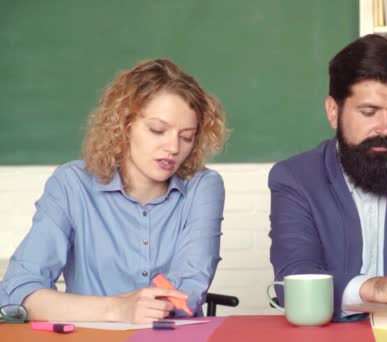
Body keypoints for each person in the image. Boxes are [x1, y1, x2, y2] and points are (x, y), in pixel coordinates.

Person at [0, 59, 227, 323]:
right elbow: (18, 291)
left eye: (186, 136)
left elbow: (186, 289)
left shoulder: (203, 187)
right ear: (125, 124)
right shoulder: (72, 185)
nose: (173, 148)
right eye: (158, 130)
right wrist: (118, 309)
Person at [268, 34, 387, 320]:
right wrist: (372, 288)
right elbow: (293, 282)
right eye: (369, 112)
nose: (385, 128)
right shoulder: (295, 179)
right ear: (334, 112)